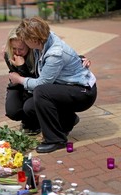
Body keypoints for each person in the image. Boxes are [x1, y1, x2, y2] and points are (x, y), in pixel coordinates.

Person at [8, 16, 97, 153]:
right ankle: (68, 121)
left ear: (34, 40)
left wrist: (19, 79)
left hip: (83, 92)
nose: (23, 42)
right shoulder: (43, 41)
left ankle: (56, 140)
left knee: (41, 91)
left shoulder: (54, 53)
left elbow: (42, 83)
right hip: (68, 87)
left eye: (25, 39)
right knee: (31, 106)